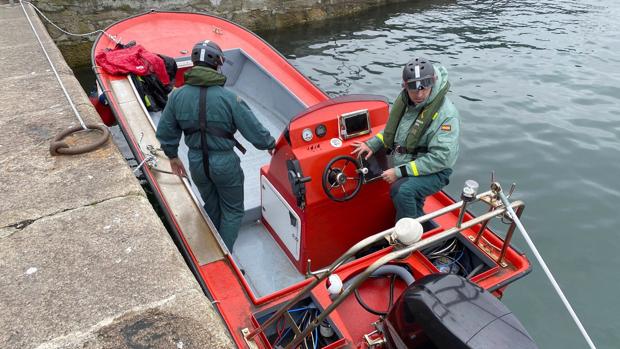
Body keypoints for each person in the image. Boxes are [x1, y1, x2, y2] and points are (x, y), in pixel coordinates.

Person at [156, 40, 275, 250]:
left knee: (212, 206)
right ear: (218, 63)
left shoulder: (177, 96)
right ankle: (224, 254)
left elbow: (165, 132)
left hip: (196, 162)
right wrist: (271, 144)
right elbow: (255, 131)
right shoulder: (229, 98)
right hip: (224, 163)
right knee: (233, 210)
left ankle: (212, 246)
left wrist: (173, 157)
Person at [352, 57, 460, 224]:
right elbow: (394, 132)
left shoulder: (447, 115)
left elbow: (441, 158)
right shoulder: (406, 102)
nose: (419, 95)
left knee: (402, 191)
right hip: (410, 162)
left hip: (436, 171)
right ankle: (423, 232)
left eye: (424, 89)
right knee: (410, 201)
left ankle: (408, 236)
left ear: (433, 82)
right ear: (405, 87)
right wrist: (372, 143)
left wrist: (399, 172)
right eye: (413, 90)